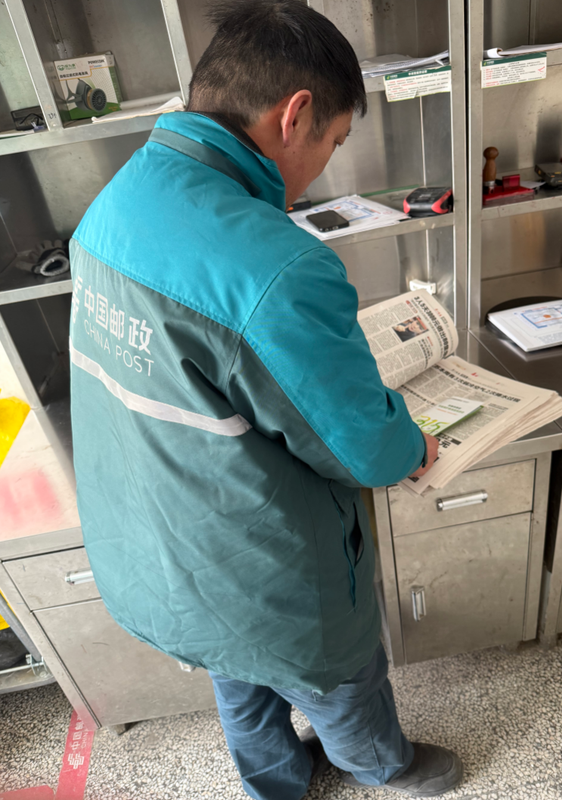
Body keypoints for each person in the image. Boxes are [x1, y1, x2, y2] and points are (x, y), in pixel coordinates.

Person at [68, 1, 462, 798]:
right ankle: (381, 767)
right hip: (264, 567)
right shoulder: (276, 264)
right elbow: (364, 449)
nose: (324, 166)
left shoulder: (119, 198)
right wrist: (409, 442)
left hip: (163, 546)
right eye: (334, 142)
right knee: (340, 684)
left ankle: (271, 783)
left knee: (238, 677)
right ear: (295, 115)